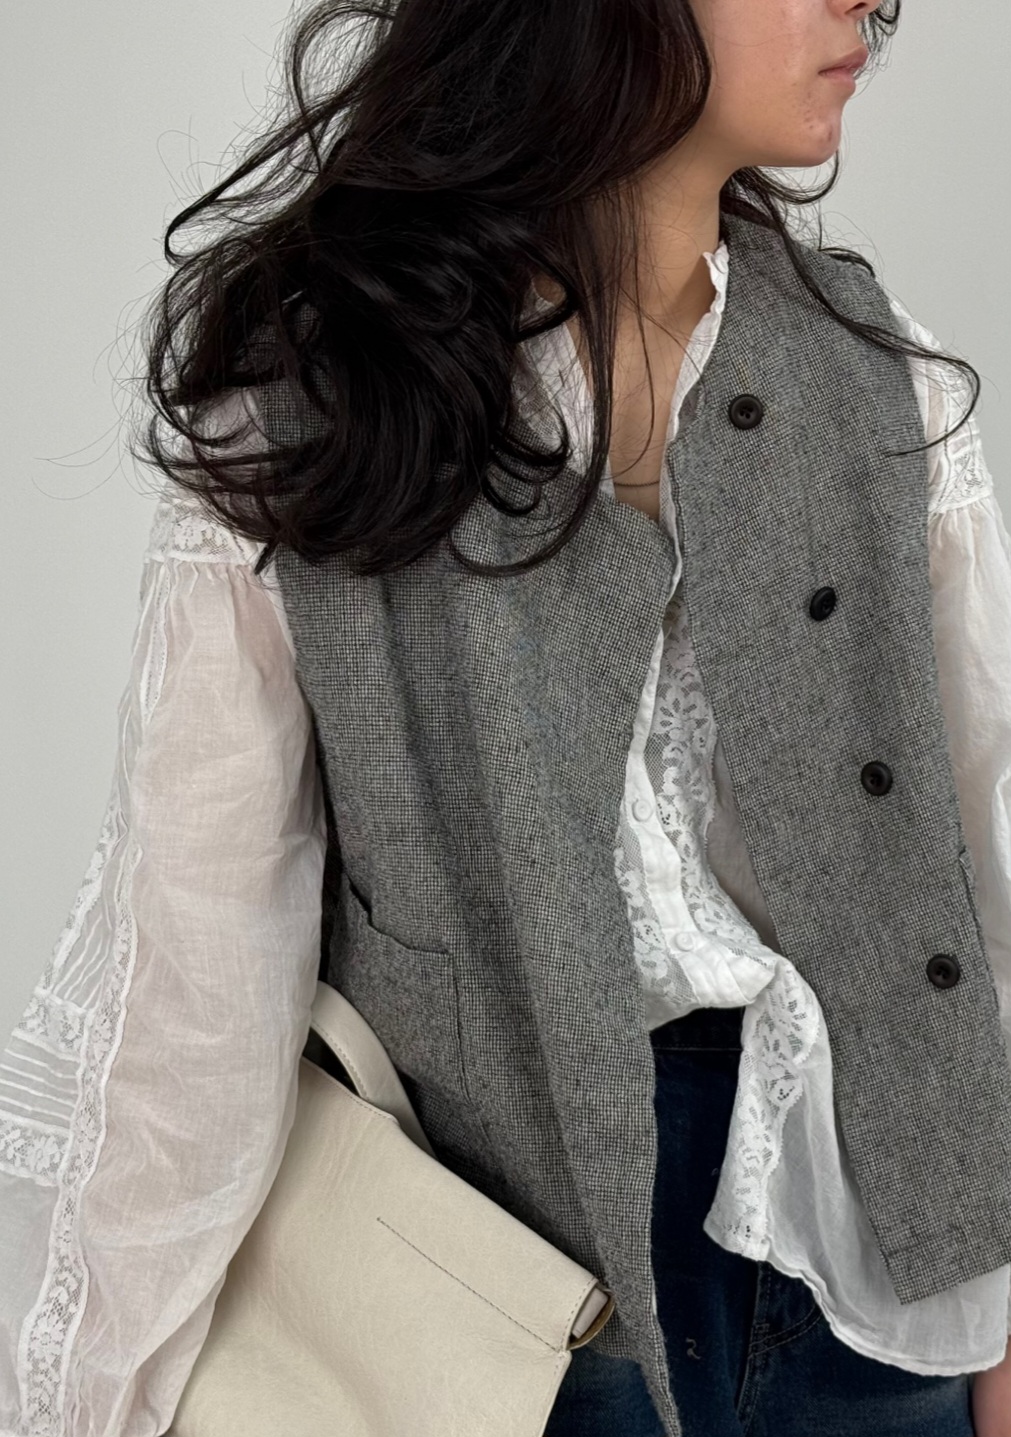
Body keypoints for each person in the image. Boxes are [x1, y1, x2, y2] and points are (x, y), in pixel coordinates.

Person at [2, 0, 1010, 1433]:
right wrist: (87, 1396)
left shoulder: (875, 374)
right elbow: (197, 967)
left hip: (876, 1276)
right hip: (497, 1310)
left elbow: (979, 857)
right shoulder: (328, 406)